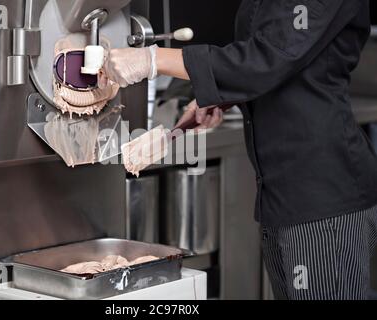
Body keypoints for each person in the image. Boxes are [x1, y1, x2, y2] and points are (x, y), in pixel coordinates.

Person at [103, 0, 377, 300]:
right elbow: (285, 62)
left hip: (321, 196)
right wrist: (221, 96)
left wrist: (152, 59)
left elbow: (270, 58)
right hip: (282, 194)